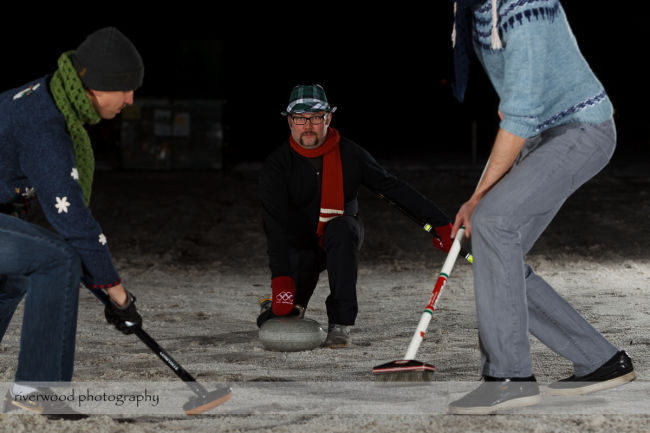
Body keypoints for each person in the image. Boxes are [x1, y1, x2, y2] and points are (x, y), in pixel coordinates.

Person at [446, 0, 635, 414]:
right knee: (494, 252)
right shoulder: (477, 10)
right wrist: (473, 202)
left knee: (493, 222)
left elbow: (519, 116)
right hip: (542, 135)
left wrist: (479, 201)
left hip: (582, 129)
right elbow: (519, 113)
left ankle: (509, 377)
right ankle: (599, 359)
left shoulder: (524, 6)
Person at [0, 27, 144, 418]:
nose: (131, 100)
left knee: (11, 275)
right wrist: (119, 297)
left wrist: (103, 282)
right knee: (57, 260)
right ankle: (38, 395)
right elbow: (73, 223)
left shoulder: (46, 97)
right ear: (95, 86)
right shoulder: (44, 127)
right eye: (126, 89)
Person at [258, 84, 453, 348]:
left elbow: (394, 188)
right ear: (290, 122)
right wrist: (281, 281)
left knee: (341, 229)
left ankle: (340, 323)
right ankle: (280, 306)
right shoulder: (277, 166)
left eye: (316, 118)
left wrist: (441, 224)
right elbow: (275, 228)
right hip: (299, 243)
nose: (308, 126)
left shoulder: (350, 154)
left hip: (340, 238)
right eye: (300, 119)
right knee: (284, 308)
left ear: (328, 118)